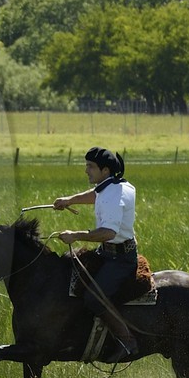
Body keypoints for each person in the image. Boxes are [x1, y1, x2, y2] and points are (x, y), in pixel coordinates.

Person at [52, 146, 138, 358]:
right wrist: (69, 200)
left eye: (90, 166)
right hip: (108, 253)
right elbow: (95, 195)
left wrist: (75, 235)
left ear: (105, 170)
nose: (86, 170)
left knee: (93, 299)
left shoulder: (112, 195)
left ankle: (128, 342)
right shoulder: (116, 185)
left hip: (120, 260)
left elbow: (109, 232)